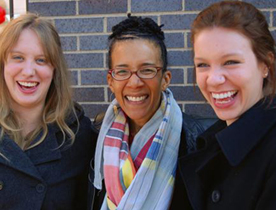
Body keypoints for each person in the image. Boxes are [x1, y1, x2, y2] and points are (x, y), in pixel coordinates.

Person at [90, 14, 216, 210]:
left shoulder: (199, 142)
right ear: (110, 81)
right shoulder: (96, 136)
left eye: (147, 70)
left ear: (165, 79)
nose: (134, 83)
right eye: (122, 71)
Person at [0, 13, 95, 210]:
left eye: (41, 60)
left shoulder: (76, 134)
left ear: (54, 69)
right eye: (18, 58)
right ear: (2, 64)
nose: (29, 71)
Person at [172, 1, 276, 209]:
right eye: (203, 65)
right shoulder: (211, 141)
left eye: (231, 62)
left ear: (265, 64)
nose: (213, 79)